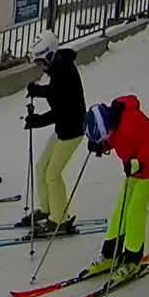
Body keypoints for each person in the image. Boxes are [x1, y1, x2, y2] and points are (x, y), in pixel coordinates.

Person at [84, 95, 149, 282]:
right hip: (133, 169)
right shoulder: (113, 123)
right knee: (121, 209)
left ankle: (133, 258)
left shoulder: (132, 122)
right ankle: (110, 253)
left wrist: (139, 162)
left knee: (135, 211)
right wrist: (102, 145)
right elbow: (115, 138)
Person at [22, 31, 85, 235]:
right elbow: (54, 93)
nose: (40, 66)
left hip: (72, 131)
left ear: (50, 56)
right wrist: (38, 91)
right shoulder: (59, 69)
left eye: (41, 61)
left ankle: (60, 219)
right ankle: (47, 209)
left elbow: (61, 108)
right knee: (41, 167)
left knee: (52, 174)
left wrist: (37, 120)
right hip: (63, 128)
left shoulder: (63, 72)